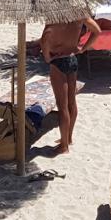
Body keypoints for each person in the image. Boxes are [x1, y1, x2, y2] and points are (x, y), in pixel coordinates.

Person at [39, 16, 101, 153]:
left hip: (58, 59)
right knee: (71, 102)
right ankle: (68, 138)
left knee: (62, 106)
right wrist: (83, 49)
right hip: (72, 58)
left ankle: (64, 146)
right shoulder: (79, 14)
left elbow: (45, 38)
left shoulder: (54, 15)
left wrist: (47, 56)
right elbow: (97, 31)